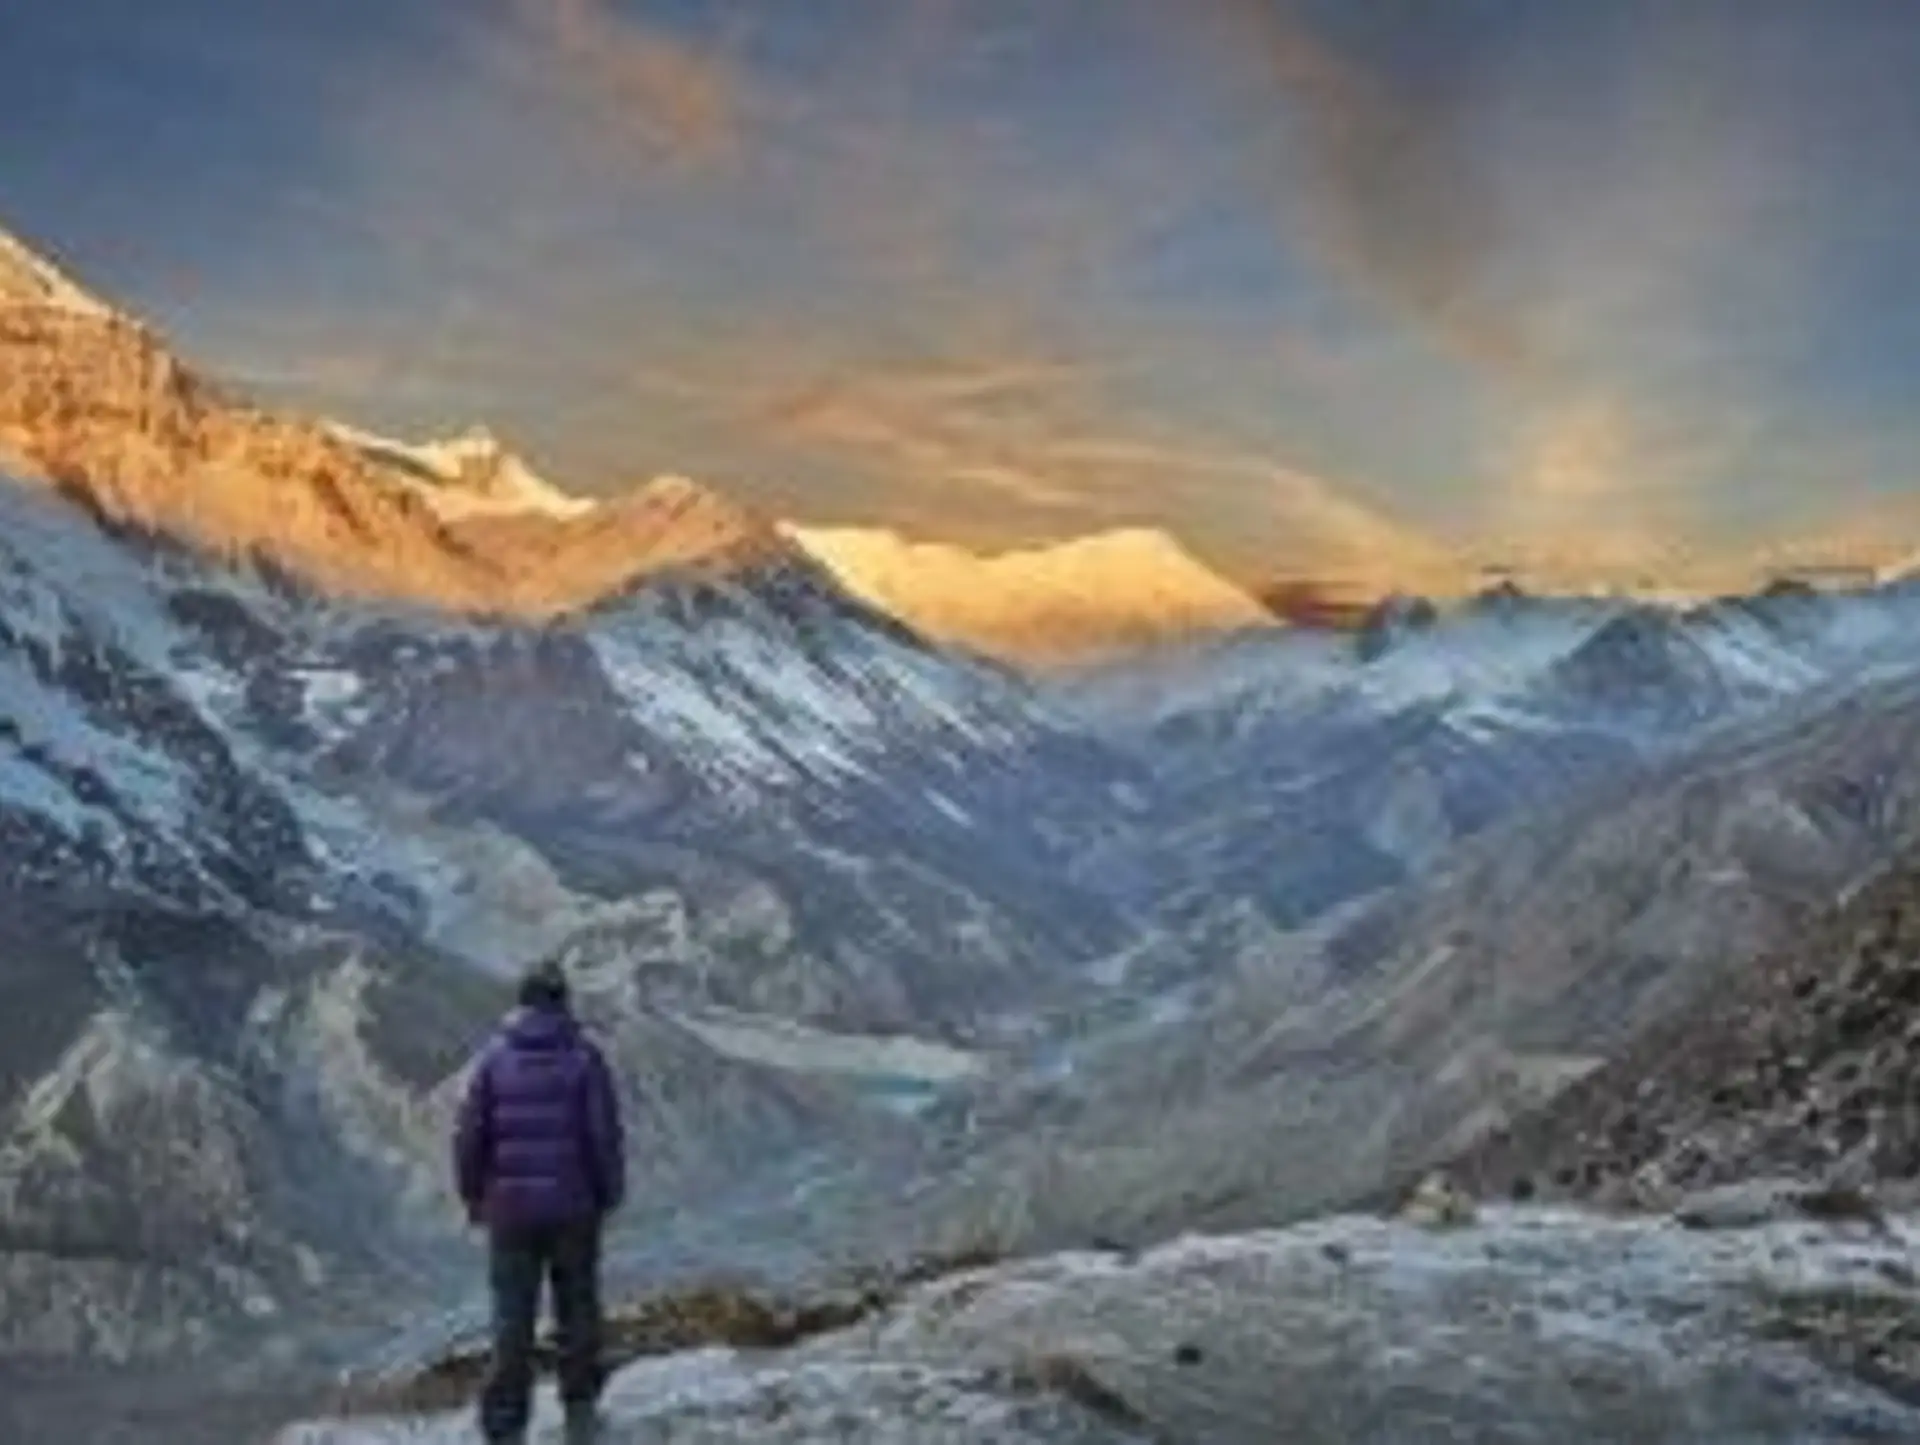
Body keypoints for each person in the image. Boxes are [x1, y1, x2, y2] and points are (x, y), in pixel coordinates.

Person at [454, 959, 626, 1445]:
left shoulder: (492, 1060)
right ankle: (580, 1403)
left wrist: (473, 1195)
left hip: (509, 1212)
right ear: (563, 1000)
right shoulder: (585, 1058)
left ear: (521, 1002)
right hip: (575, 1209)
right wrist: (609, 1192)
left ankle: (506, 1422)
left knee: (512, 1316)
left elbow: (469, 1137)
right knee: (577, 1306)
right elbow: (604, 1135)